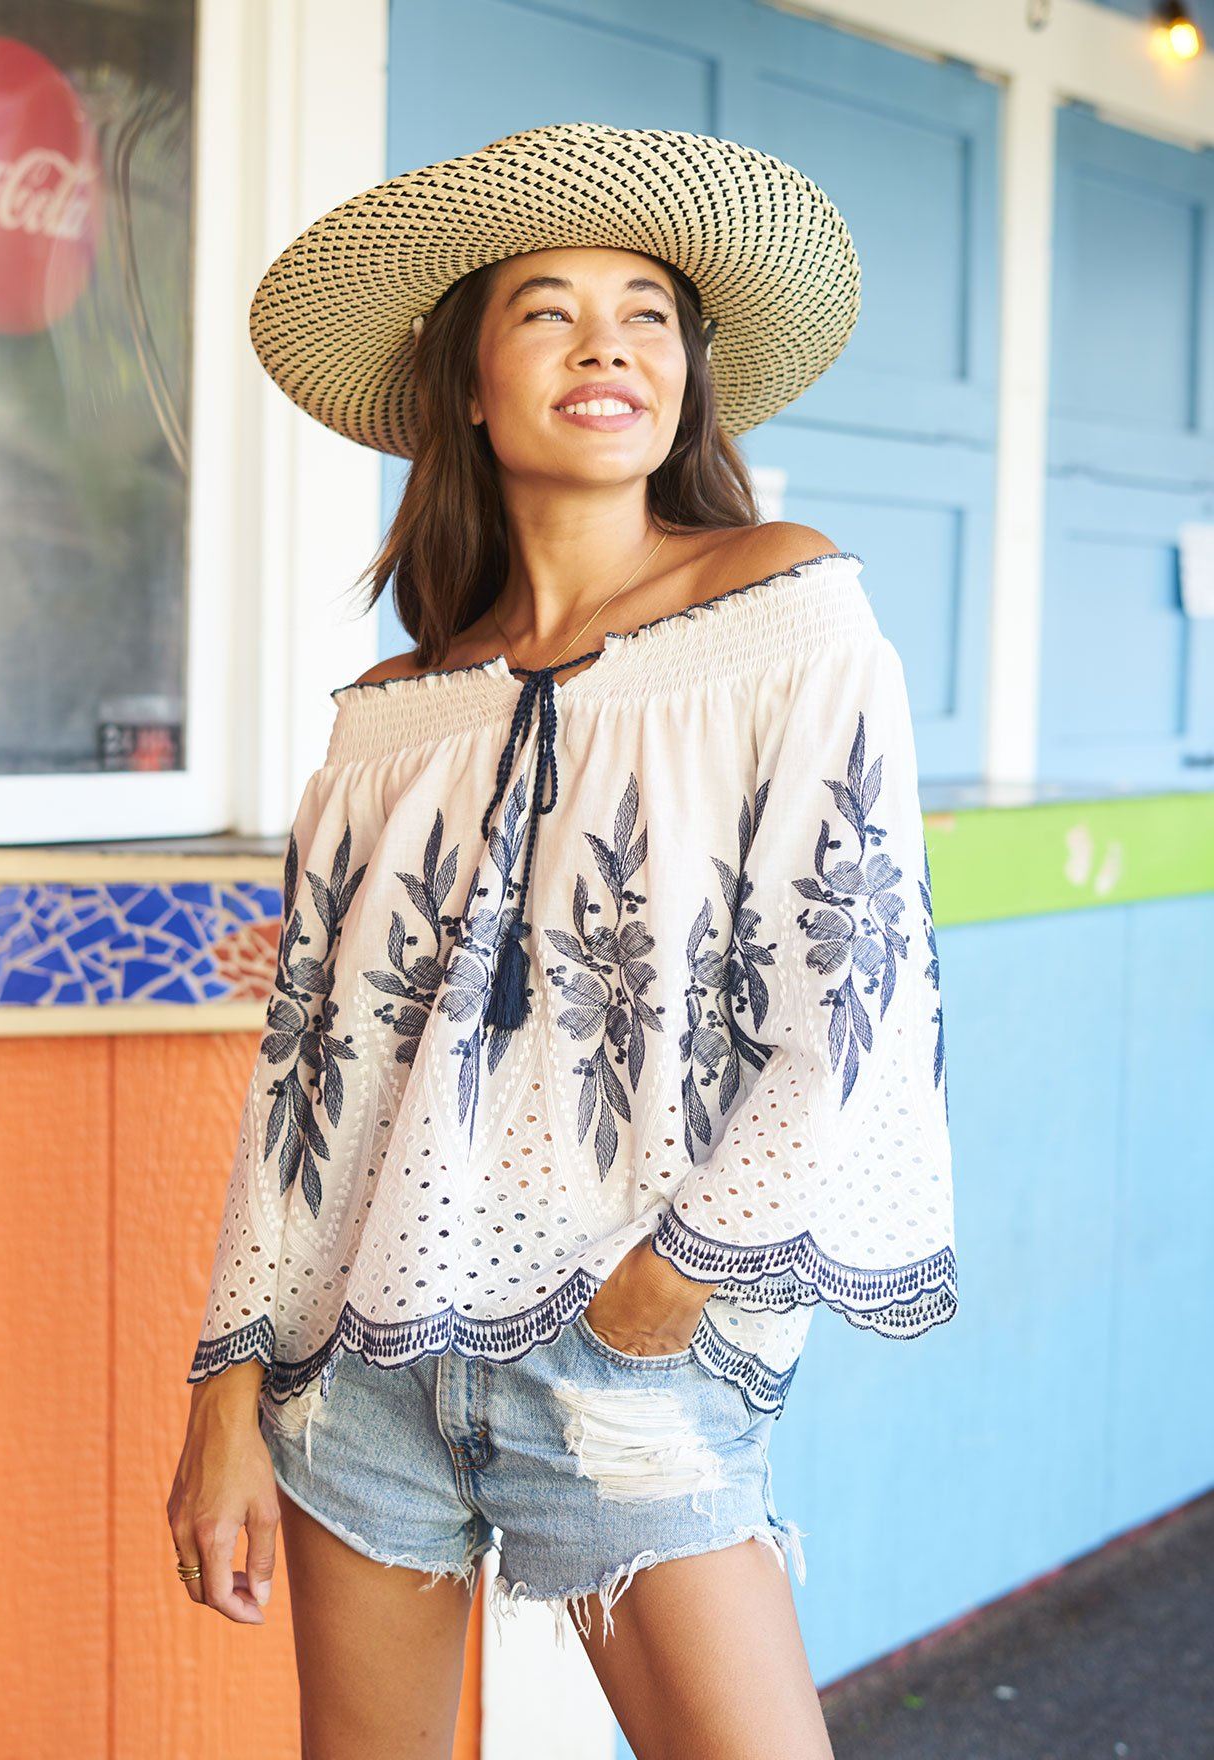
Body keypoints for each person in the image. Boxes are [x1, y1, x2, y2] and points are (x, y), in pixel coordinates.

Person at [168, 122, 957, 1759]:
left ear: (686, 377)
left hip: (626, 1350)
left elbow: (858, 1004)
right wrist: (226, 1398)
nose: (607, 342)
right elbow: (306, 1084)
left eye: (648, 312)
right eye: (545, 309)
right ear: (468, 380)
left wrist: (670, 1285)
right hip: (360, 1372)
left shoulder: (786, 610)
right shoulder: (391, 721)